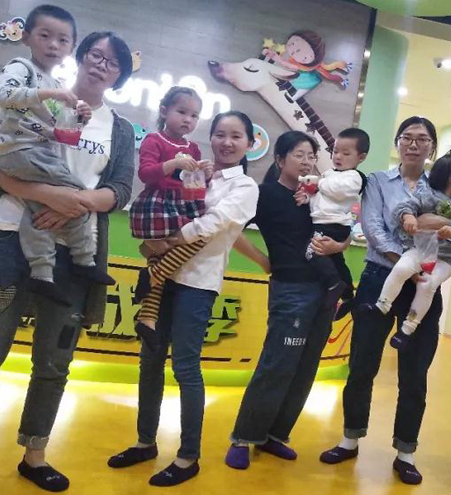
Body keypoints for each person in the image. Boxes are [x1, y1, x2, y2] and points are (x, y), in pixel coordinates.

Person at [0, 31, 135, 495]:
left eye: (113, 62)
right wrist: (48, 195)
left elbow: (121, 190)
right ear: (80, 58)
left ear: (120, 75)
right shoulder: (39, 98)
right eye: (95, 55)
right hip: (6, 241)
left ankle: (34, 456)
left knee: (54, 362)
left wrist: (75, 204)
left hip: (72, 256)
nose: (101, 65)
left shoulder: (120, 130)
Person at [107, 111, 258, 487]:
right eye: (220, 134)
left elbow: (213, 223)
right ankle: (145, 442)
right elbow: (162, 203)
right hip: (161, 276)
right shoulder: (196, 173)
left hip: (198, 283)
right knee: (149, 362)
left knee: (186, 368)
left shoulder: (245, 187)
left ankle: (188, 456)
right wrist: (152, 240)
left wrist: (168, 240)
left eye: (236, 136)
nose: (226, 142)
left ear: (250, 143)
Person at [319, 116, 444, 485]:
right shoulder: (376, 181)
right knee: (362, 364)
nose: (414, 144)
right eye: (407, 137)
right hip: (379, 277)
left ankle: (406, 451)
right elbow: (372, 227)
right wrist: (403, 263)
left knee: (414, 372)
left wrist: (418, 270)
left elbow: (449, 230)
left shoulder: (441, 186)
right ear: (397, 143)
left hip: (423, 286)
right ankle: (350, 438)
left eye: (422, 139)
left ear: (432, 147)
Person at [224, 131, 350, 469]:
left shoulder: (319, 196)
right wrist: (264, 261)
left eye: (311, 156)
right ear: (280, 160)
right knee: (277, 363)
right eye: (298, 155)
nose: (307, 162)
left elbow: (341, 234)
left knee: (306, 367)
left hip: (326, 290)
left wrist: (339, 246)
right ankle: (244, 436)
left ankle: (275, 435)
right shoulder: (265, 194)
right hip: (291, 290)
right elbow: (230, 229)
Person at [0, 4, 115, 304]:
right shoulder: (22, 67)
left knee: (39, 208)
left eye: (62, 40)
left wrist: (79, 119)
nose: (53, 45)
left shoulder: (54, 84)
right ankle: (84, 260)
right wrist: (51, 94)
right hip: (21, 151)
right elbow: (3, 94)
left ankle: (42, 274)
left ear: (70, 47)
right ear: (26, 36)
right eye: (44, 36)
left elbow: (57, 130)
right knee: (75, 194)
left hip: (33, 151)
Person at [359, 143, 451, 349]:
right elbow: (405, 206)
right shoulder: (426, 193)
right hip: (419, 249)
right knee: (401, 268)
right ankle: (382, 305)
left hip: (445, 259)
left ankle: (408, 328)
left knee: (427, 285)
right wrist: (408, 216)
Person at [129, 86, 212, 348]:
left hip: (183, 204)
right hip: (158, 204)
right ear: (164, 111)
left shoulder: (194, 148)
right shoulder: (154, 140)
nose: (188, 119)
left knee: (173, 249)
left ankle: (147, 316)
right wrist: (174, 163)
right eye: (182, 112)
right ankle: (154, 274)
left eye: (194, 115)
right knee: (183, 243)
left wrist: (205, 174)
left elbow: (192, 184)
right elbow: (145, 174)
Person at [301, 127, 369, 313]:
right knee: (337, 261)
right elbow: (320, 197)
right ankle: (348, 295)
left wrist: (319, 183)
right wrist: (307, 197)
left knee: (311, 252)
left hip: (333, 223)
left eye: (346, 153)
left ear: (361, 157)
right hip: (325, 221)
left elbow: (338, 191)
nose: (338, 156)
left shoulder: (354, 177)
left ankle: (334, 284)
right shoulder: (329, 173)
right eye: (335, 151)